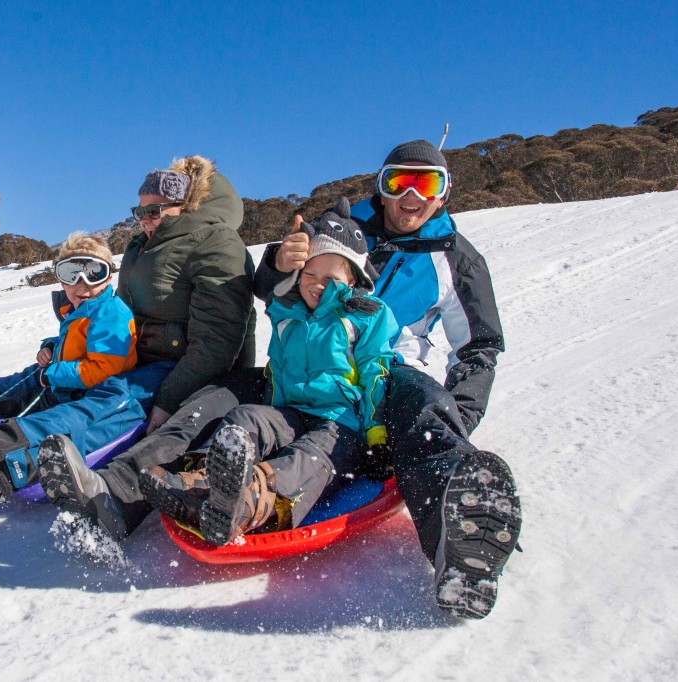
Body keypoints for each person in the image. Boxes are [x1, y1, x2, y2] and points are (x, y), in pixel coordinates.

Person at [35, 140, 522, 620]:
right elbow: (273, 290)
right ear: (382, 185)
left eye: (426, 183)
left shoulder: (456, 260)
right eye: (398, 181)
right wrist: (277, 261)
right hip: (296, 375)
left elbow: (479, 348)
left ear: (445, 191)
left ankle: (461, 536)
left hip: (383, 374)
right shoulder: (343, 228)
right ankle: (117, 494)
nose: (411, 195)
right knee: (216, 397)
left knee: (426, 409)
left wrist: (460, 415)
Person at [138, 198, 397, 546]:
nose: (317, 285)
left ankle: (245, 504)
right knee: (246, 417)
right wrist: (280, 260)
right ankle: (201, 482)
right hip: (287, 412)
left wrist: (377, 437)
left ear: (353, 279)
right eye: (310, 274)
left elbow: (375, 373)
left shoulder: (365, 314)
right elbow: (267, 283)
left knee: (309, 458)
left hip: (339, 423)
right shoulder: (287, 310)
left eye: (332, 278)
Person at [35, 155, 257, 538]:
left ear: (184, 205)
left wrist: (168, 399)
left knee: (176, 425)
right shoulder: (143, 246)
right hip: (148, 361)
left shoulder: (216, 242)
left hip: (203, 374)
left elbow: (216, 343)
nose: (144, 219)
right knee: (86, 385)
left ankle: (112, 497)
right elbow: (121, 316)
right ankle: (12, 443)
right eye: (139, 211)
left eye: (153, 211)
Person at [0, 232, 149, 503]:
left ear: (107, 278)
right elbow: (71, 343)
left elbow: (104, 367)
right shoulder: (79, 310)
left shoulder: (111, 313)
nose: (81, 283)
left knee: (37, 408)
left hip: (89, 392)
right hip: (65, 383)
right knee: (16, 384)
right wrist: (50, 347)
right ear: (61, 279)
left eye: (92, 273)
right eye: (71, 273)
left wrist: (53, 374)